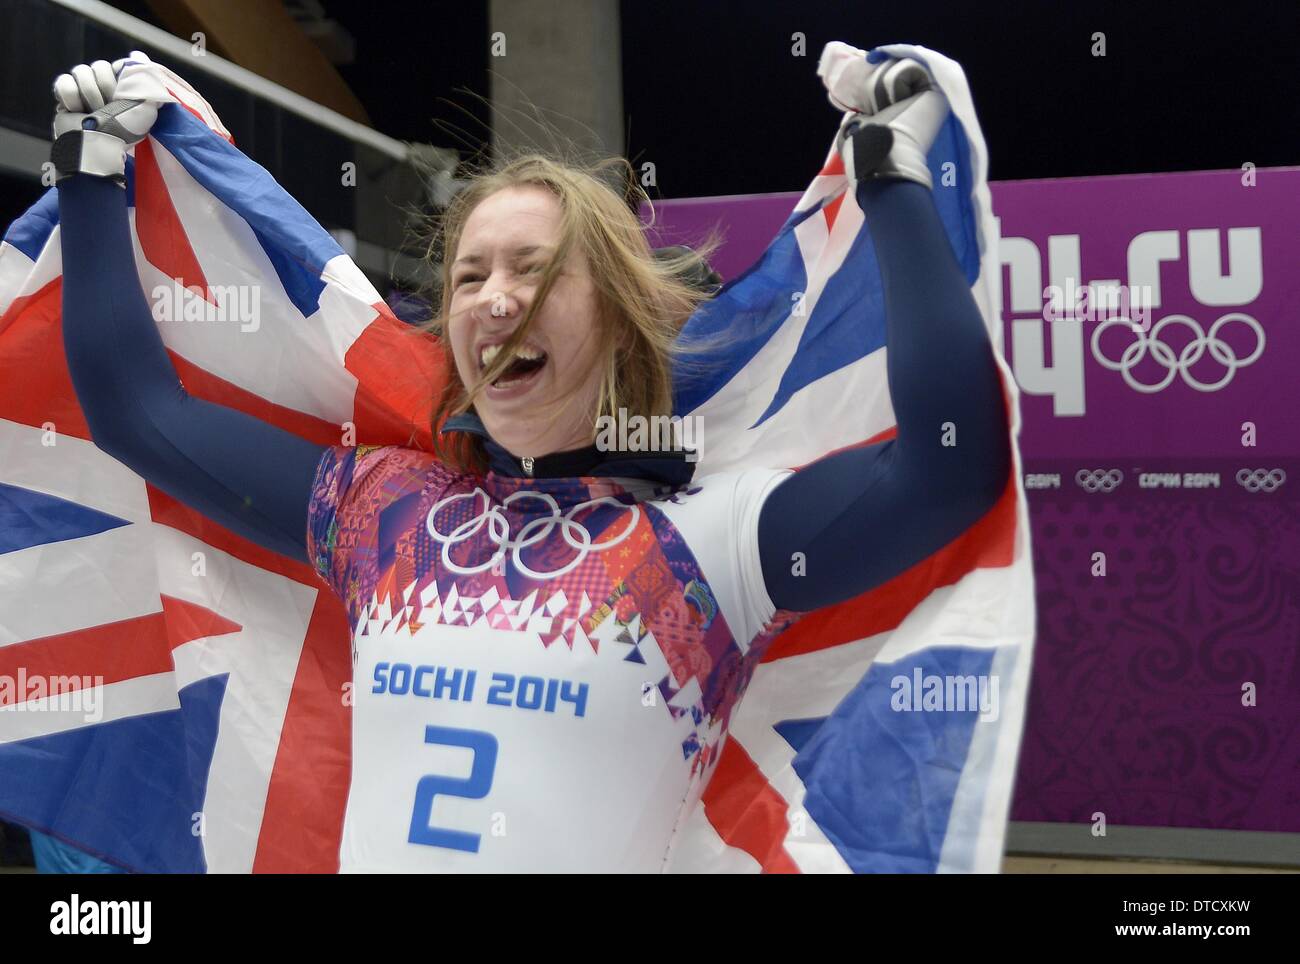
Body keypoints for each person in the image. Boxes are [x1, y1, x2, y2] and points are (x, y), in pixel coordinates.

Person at [48, 55, 1011, 871]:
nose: (494, 299)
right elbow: (140, 411)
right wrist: (92, 174)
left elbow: (948, 472)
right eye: (470, 276)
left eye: (536, 272)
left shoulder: (714, 540)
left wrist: (890, 176)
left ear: (619, 314)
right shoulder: (381, 510)